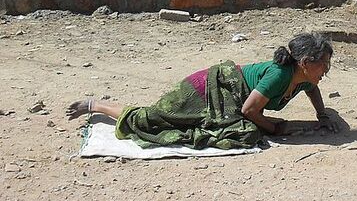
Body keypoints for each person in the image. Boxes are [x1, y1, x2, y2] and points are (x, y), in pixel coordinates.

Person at [66, 32, 337, 149]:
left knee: (241, 132)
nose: (326, 69)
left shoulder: (304, 77)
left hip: (225, 99)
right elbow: (248, 110)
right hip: (205, 90)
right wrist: (275, 128)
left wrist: (322, 116)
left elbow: (312, 90)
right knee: (151, 120)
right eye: (323, 64)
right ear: (305, 63)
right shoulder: (280, 74)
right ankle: (96, 106)